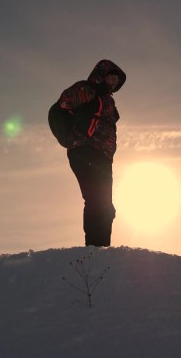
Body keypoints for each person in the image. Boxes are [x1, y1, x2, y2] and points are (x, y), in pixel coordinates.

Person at [57, 59, 126, 246]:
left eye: (115, 80)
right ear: (101, 75)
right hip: (84, 149)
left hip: (104, 155)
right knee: (95, 199)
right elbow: (64, 102)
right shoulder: (86, 89)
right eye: (111, 77)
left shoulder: (109, 100)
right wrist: (88, 102)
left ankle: (103, 248)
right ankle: (93, 250)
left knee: (106, 206)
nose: (113, 82)